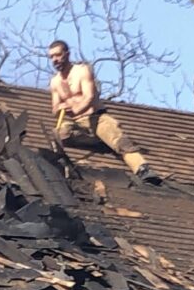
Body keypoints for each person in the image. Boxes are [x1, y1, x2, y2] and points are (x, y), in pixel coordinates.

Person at [47, 40, 159, 183]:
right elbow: (55, 108)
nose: (55, 60)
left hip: (95, 117)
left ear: (67, 54)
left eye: (57, 55)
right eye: (51, 57)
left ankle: (142, 168)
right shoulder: (55, 82)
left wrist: (75, 108)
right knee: (59, 135)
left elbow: (89, 97)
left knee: (118, 139)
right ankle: (98, 141)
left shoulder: (82, 71)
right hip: (76, 123)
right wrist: (60, 109)